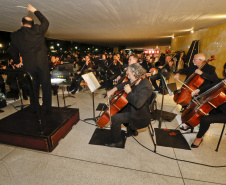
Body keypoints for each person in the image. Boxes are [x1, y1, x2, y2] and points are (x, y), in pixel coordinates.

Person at [8, 4, 51, 112]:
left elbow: (12, 50)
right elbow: (45, 22)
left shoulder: (15, 35)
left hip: (29, 66)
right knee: (45, 85)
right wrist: (35, 10)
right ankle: (46, 107)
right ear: (32, 24)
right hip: (42, 64)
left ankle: (34, 107)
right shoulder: (37, 30)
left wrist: (17, 62)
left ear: (21, 24)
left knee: (33, 86)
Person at [106, 63, 153, 147]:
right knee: (116, 108)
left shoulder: (146, 86)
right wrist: (114, 89)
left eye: (129, 74)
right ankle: (131, 129)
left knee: (115, 118)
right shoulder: (137, 80)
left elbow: (138, 104)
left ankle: (117, 141)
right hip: (133, 107)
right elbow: (125, 83)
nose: (127, 76)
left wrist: (129, 92)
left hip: (139, 114)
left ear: (135, 73)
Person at [189, 64, 226, 148]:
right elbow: (213, 85)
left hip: (224, 113)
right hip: (217, 107)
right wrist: (198, 90)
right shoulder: (224, 80)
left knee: (205, 119)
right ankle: (190, 123)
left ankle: (199, 138)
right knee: (200, 107)